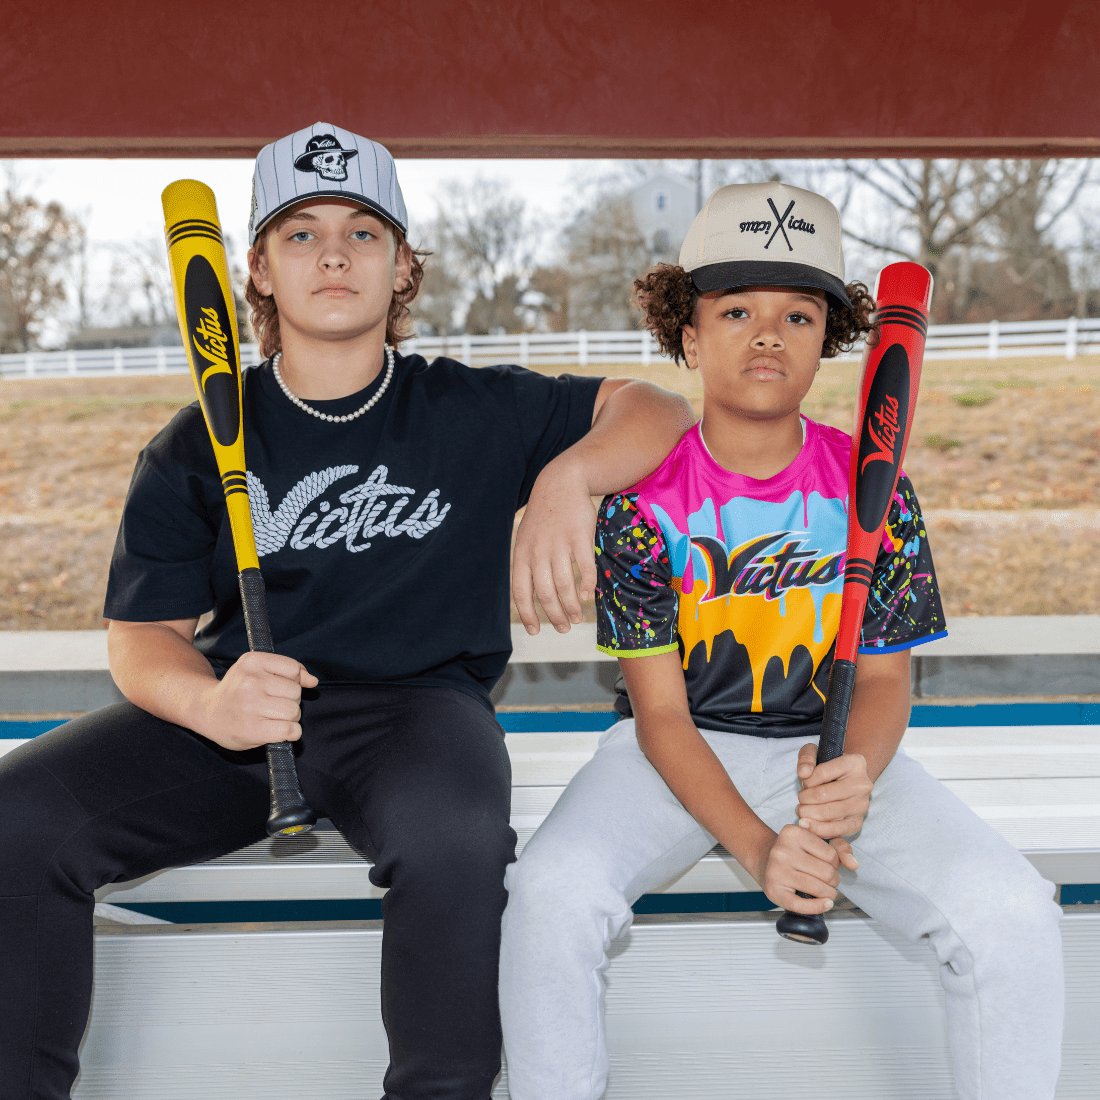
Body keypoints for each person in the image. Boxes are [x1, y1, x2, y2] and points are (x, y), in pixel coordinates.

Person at [0, 122, 694, 1100]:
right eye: (301, 232)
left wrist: (565, 480)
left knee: (455, 841)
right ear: (259, 270)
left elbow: (659, 411)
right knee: (19, 816)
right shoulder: (198, 440)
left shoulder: (471, 408)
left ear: (402, 266)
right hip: (242, 712)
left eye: (363, 232)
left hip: (419, 714)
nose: (334, 253)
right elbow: (142, 637)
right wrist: (208, 703)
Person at [499, 182, 1065, 1100]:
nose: (767, 334)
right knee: (549, 894)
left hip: (833, 747)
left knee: (1014, 910)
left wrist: (852, 776)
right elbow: (660, 716)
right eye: (736, 311)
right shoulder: (641, 504)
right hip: (675, 750)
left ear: (827, 339)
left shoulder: (872, 488)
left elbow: (883, 681)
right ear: (688, 337)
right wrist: (763, 850)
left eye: (798, 315)